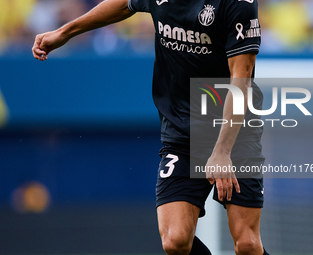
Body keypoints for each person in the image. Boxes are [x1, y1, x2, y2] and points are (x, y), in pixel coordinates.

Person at [32, 0, 269, 254]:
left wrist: (222, 151)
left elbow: (241, 78)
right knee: (175, 240)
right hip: (183, 130)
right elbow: (124, 4)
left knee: (246, 244)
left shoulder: (238, 4)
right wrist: (64, 33)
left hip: (235, 132)